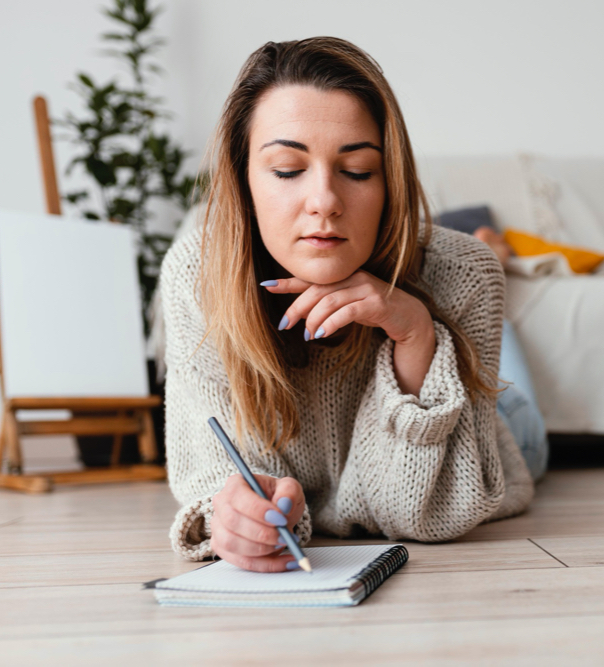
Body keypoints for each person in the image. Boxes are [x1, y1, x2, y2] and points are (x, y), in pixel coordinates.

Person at [161, 37, 537, 573]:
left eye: (358, 171)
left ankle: (497, 259)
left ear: (390, 181)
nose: (325, 202)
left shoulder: (466, 273)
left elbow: (423, 512)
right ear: (244, 179)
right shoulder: (195, 274)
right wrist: (233, 515)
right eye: (288, 169)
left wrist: (417, 335)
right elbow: (211, 476)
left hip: (502, 429)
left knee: (519, 403)